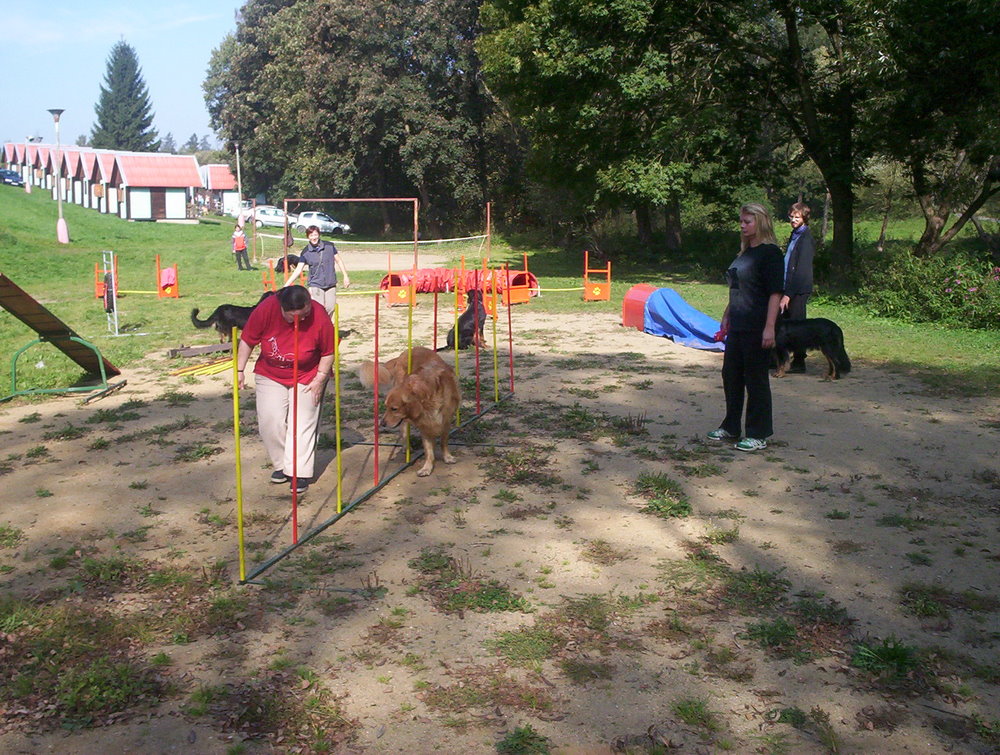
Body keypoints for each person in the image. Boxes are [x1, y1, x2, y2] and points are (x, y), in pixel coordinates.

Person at [236, 285, 335, 493]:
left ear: (309, 305)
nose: (297, 322)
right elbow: (247, 340)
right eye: (291, 317)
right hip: (271, 372)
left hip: (309, 375)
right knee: (270, 422)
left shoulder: (320, 316)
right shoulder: (265, 309)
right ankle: (283, 466)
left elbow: (328, 352)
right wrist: (239, 370)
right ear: (281, 307)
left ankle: (298, 472)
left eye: (303, 315)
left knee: (302, 423)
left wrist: (320, 378)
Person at [707, 203, 784, 452]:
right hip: (738, 323)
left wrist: (770, 327)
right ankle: (731, 426)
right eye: (741, 221)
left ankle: (758, 433)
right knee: (731, 375)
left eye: (747, 221)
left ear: (760, 222)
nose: (742, 225)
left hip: (757, 324)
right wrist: (727, 315)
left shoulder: (770, 253)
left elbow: (775, 293)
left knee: (756, 378)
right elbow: (737, 287)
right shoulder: (744, 253)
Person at [780, 202, 815, 373]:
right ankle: (782, 359)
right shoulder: (795, 235)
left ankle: (800, 361)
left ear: (804, 218)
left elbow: (801, 271)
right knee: (784, 326)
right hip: (787, 287)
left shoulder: (806, 238)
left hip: (798, 290)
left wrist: (789, 295)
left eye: (797, 217)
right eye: (791, 216)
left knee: (798, 327)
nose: (793, 219)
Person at [285, 226, 350, 316]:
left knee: (331, 308)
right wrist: (287, 284)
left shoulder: (329, 246)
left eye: (315, 235)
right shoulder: (305, 252)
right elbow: (298, 270)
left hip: (330, 283)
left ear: (319, 235)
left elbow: (338, 260)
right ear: (308, 237)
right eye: (311, 235)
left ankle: (325, 325)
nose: (314, 237)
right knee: (320, 308)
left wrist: (345, 276)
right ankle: (321, 327)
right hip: (316, 284)